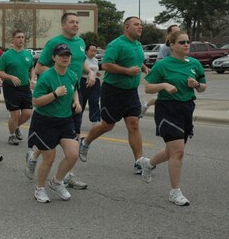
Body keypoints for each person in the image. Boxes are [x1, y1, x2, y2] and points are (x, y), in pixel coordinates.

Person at [138, 31, 206, 206]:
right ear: (172, 45)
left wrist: (197, 85)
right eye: (182, 42)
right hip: (167, 109)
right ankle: (175, 192)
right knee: (178, 152)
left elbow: (203, 87)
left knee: (171, 152)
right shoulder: (163, 65)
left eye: (188, 42)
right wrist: (164, 85)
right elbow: (148, 88)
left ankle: (148, 163)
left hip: (186, 109)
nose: (186, 44)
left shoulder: (194, 64)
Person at [30, 13, 96, 189]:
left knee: (72, 135)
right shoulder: (53, 43)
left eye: (77, 22)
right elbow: (39, 68)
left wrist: (90, 71)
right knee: (51, 138)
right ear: (63, 25)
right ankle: (34, 156)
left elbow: (81, 63)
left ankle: (68, 175)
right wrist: (56, 81)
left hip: (74, 92)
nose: (75, 25)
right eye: (71, 22)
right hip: (56, 92)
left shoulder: (81, 43)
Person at [79, 16, 150, 174]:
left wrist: (144, 68)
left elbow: (135, 60)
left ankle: (139, 161)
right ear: (126, 27)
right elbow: (106, 65)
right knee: (107, 125)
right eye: (136, 24)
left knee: (134, 124)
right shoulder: (116, 44)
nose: (140, 27)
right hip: (113, 91)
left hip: (131, 92)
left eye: (141, 25)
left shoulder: (138, 45)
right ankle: (85, 141)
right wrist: (127, 71)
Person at [28, 44, 82, 203]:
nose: (65, 57)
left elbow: (74, 89)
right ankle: (40, 189)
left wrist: (76, 101)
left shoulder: (72, 75)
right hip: (45, 120)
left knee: (73, 154)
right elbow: (36, 101)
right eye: (61, 55)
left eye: (68, 55)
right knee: (49, 157)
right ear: (54, 58)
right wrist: (55, 94)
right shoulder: (46, 76)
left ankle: (57, 181)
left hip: (65, 120)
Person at [0, 30, 33, 145]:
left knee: (27, 113)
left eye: (22, 37)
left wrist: (32, 79)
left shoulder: (27, 54)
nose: (21, 39)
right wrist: (10, 77)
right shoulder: (6, 55)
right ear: (13, 39)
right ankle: (12, 135)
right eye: (18, 37)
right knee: (15, 114)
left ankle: (15, 126)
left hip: (25, 87)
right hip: (11, 87)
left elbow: (32, 68)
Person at [141, 24, 182, 117]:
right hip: (167, 75)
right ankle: (146, 105)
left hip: (177, 74)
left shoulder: (180, 45)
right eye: (175, 31)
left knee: (172, 95)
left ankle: (146, 105)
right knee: (166, 96)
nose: (178, 33)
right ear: (169, 34)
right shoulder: (166, 47)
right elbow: (159, 61)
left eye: (179, 31)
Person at [79, 44, 102, 127]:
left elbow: (95, 69)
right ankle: (77, 120)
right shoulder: (83, 59)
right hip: (84, 81)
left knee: (94, 101)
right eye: (91, 51)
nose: (93, 53)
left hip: (95, 82)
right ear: (86, 51)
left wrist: (96, 73)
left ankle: (95, 120)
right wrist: (90, 71)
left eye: (95, 51)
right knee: (82, 101)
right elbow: (82, 69)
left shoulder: (95, 60)